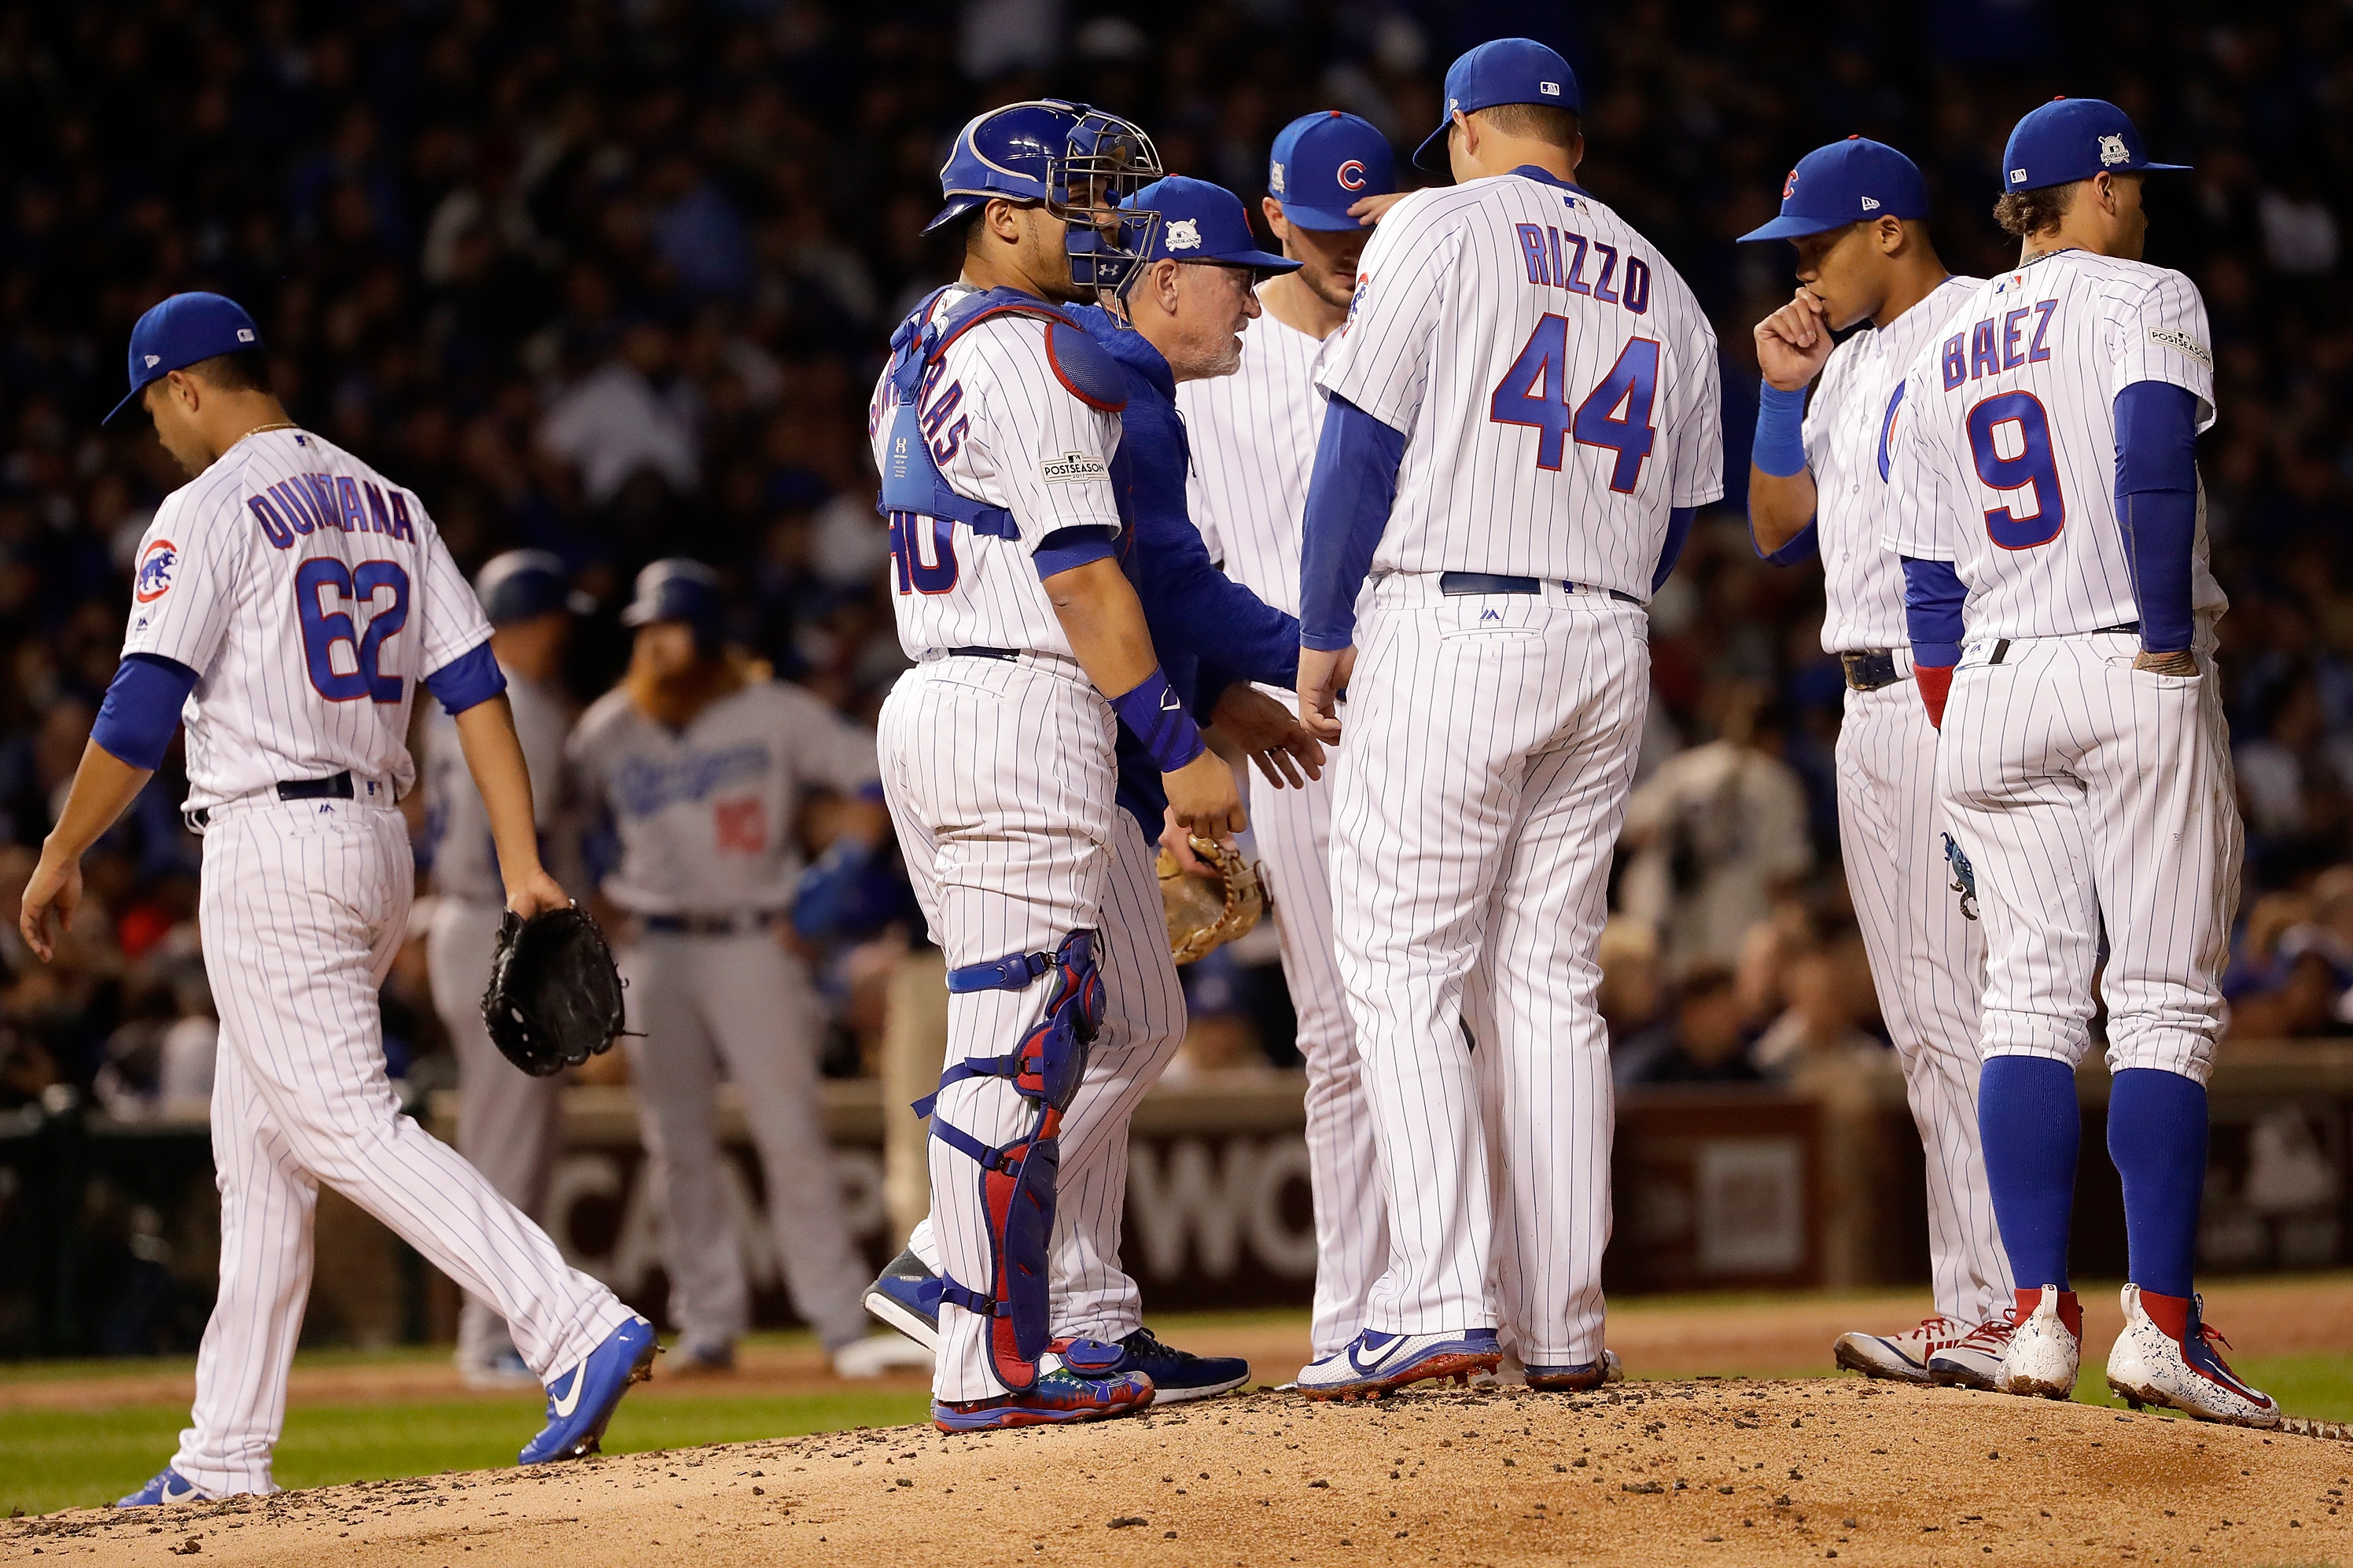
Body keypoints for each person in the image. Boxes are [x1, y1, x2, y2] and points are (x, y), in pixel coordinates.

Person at [22, 292, 652, 1507]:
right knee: (258, 1157)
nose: (155, 428)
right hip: (374, 841)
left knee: (341, 1123)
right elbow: (477, 688)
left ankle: (570, 1319)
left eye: (155, 403)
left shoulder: (204, 509)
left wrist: (59, 850)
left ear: (190, 385)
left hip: (271, 839)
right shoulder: (391, 501)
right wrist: (522, 860)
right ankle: (222, 1452)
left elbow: (140, 710)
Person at [1292, 39, 1722, 1397]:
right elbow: (1686, 512)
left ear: (1468, 128)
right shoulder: (1668, 278)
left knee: (1402, 966)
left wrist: (1318, 630)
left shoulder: (1432, 221)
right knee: (1547, 981)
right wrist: (1592, 594)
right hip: (1605, 635)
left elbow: (1357, 436)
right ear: (1573, 141)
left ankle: (1432, 1296)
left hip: (1453, 614)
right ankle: (1560, 1321)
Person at [862, 174, 1316, 1404]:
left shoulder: (924, 341)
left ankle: (1089, 1315)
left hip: (965, 695)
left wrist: (1203, 707)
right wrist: (1189, 741)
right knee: (1022, 1044)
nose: (1256, 306)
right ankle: (960, 1288)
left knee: (1128, 1020)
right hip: (1022, 703)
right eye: (1239, 275)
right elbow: (1115, 581)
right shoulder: (1065, 358)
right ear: (1000, 218)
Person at [1884, 98, 2275, 1426]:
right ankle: (2159, 1324)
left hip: (1989, 680)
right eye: (2134, 185)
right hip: (2123, 658)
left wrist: (1954, 735)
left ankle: (2038, 1318)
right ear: (2097, 194)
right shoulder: (2139, 289)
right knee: (2161, 1001)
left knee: (2026, 1004)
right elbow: (2153, 454)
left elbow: (1924, 581)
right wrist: (2166, 641)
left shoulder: (1939, 342)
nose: (2144, 205)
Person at [1733, 136, 2017, 1385]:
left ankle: (2001, 1307)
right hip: (1866, 708)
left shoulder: (1981, 324)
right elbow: (1776, 527)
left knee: (1967, 1011)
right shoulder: (1841, 367)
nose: (1802, 271)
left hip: (1949, 688)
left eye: (1819, 244)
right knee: (1924, 1020)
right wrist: (1781, 391)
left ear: (1891, 228)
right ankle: (1987, 1303)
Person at [567, 558, 924, 1380]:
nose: (656, 647)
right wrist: (593, 903)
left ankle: (839, 1324)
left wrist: (833, 872)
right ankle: (708, 1323)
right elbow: (568, 819)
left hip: (751, 940)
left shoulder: (772, 712)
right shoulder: (609, 728)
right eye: (645, 632)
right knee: (675, 1144)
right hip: (653, 947)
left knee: (789, 1130)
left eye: (671, 628)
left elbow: (876, 773)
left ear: (711, 633)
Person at [1173, 110, 1397, 1365]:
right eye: (1322, 228)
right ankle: (1353, 1318)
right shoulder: (1220, 367)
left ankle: (1475, 1303)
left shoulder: (1414, 342)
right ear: (1272, 222)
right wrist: (1204, 723)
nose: (1347, 250)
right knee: (1335, 1026)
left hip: (1425, 708)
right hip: (1289, 731)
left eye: (1364, 225)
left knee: (1458, 1014)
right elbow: (1175, 563)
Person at [421, 549, 587, 1389]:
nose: (564, 632)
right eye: (557, 616)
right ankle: (487, 1334)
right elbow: (539, 836)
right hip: (504, 924)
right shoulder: (526, 706)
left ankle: (499, 1327)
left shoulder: (449, 700)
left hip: (460, 917)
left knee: (509, 1135)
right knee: (506, 1142)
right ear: (535, 617)